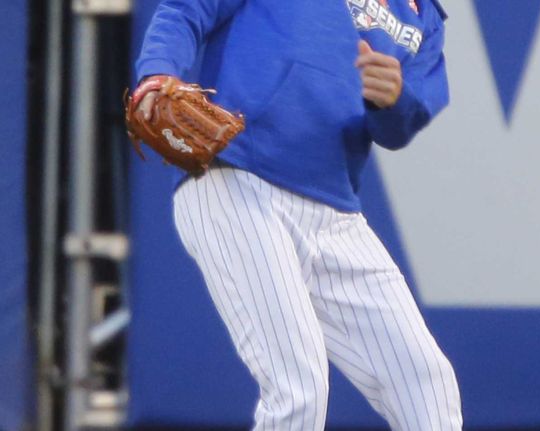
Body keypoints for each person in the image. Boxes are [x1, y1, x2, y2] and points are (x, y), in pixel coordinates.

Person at [133, 0, 462, 429]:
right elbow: (186, 9)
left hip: (336, 212)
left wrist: (394, 101)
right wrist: (157, 73)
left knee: (425, 382)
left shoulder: (424, 17)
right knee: (298, 387)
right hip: (239, 181)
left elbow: (400, 127)